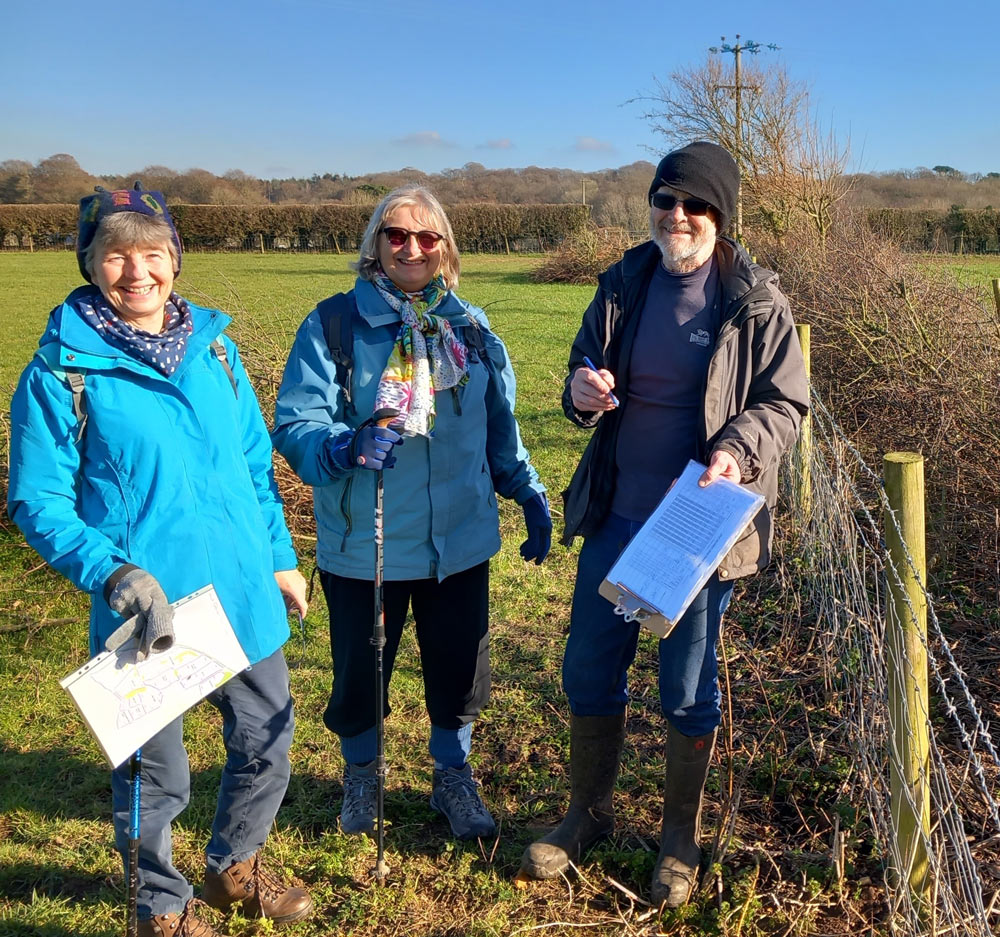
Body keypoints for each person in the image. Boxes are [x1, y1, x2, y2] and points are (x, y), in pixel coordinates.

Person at [7, 184, 313, 937]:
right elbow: (38, 500)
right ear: (89, 264)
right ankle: (160, 906)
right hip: (149, 610)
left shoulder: (218, 351)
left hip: (241, 590)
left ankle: (234, 867)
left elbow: (254, 468)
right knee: (156, 774)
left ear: (175, 258)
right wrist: (113, 573)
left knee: (267, 739)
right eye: (115, 254)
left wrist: (279, 557)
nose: (136, 271)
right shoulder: (61, 373)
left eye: (152, 252)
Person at [519, 142, 809, 906]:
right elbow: (581, 368)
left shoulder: (756, 302)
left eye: (696, 204)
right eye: (666, 200)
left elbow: (786, 404)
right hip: (616, 517)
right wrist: (581, 391)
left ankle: (680, 836)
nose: (678, 215)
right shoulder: (624, 282)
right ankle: (587, 814)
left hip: (697, 533)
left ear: (721, 215)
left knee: (686, 690)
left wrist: (738, 448)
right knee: (588, 670)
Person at [272, 184, 551, 842]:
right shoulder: (334, 326)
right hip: (365, 543)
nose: (412, 248)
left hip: (460, 542)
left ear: (445, 248)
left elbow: (499, 427)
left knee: (459, 673)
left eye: (427, 237)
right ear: (375, 244)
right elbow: (295, 423)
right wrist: (345, 446)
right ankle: (362, 775)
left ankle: (452, 775)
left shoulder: (471, 329)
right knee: (360, 678)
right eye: (396, 234)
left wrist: (528, 491)